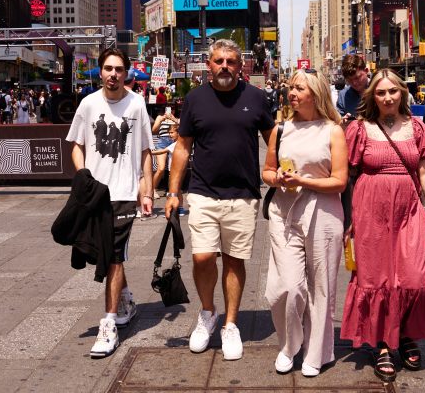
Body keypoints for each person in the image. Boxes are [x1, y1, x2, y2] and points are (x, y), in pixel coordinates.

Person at [165, 40, 275, 361]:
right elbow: (183, 147)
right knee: (202, 258)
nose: (224, 66)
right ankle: (208, 313)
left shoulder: (255, 98)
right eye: (218, 61)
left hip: (243, 195)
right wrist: (173, 192)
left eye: (230, 61)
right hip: (202, 192)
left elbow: (273, 137)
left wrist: (275, 172)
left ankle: (230, 324)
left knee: (234, 260)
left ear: (241, 66)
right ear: (208, 64)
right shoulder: (195, 99)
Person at [342, 69, 425, 383]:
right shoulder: (360, 129)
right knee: (378, 277)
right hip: (370, 209)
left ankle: (404, 333)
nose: (387, 97)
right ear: (372, 96)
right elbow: (346, 174)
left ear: (403, 93)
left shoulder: (417, 128)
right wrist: (348, 221)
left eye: (392, 91)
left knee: (412, 275)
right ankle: (384, 343)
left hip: (410, 208)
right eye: (380, 92)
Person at [66, 48, 155, 358]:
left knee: (114, 256)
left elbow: (145, 150)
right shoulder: (88, 104)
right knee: (106, 250)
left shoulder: (137, 103)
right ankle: (127, 300)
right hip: (95, 194)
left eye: (119, 69)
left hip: (124, 193)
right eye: (108, 68)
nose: (113, 74)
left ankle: (109, 323)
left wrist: (147, 190)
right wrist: (84, 176)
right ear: (100, 72)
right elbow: (76, 145)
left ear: (126, 73)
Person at [261, 69, 348, 377]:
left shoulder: (333, 131)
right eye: (291, 88)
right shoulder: (280, 129)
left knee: (322, 287)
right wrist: (280, 180)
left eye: (299, 88)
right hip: (284, 212)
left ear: (316, 93)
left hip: (324, 212)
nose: (292, 93)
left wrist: (304, 181)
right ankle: (288, 345)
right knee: (286, 287)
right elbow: (267, 172)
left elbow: (339, 181)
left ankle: (317, 352)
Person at [336, 55, 369, 123]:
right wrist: (342, 122)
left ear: (366, 71)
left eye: (357, 78)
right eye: (350, 80)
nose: (354, 83)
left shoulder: (379, 89)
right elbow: (339, 121)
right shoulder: (343, 96)